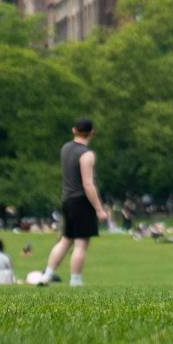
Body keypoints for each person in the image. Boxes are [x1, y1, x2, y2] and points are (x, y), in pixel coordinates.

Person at [39, 118, 109, 286]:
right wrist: (99, 209)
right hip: (82, 202)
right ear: (92, 133)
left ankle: (47, 274)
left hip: (67, 199)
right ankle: (76, 280)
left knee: (65, 240)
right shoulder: (86, 154)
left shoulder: (65, 149)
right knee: (81, 243)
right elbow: (88, 184)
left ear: (74, 130)